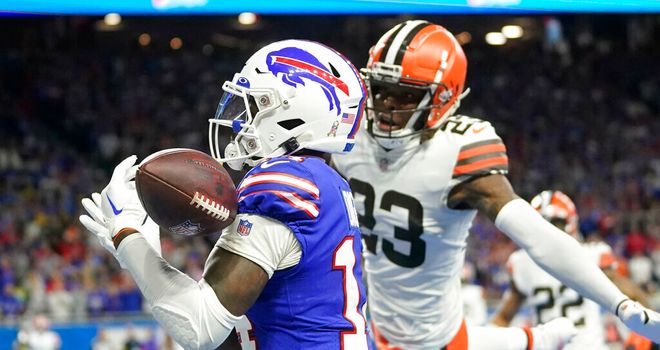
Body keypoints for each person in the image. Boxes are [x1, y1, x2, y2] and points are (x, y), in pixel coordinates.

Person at [331, 19, 660, 350]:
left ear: (444, 98)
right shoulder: (349, 130)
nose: (386, 104)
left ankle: (540, 339)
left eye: (404, 95)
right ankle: (539, 339)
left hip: (435, 336)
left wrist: (620, 304)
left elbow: (536, 235)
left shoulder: (456, 150)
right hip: (378, 324)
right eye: (380, 89)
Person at [80, 39, 370, 349]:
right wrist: (143, 257)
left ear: (298, 113)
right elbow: (243, 330)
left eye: (257, 104)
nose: (240, 119)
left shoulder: (284, 181)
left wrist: (129, 239)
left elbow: (200, 329)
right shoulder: (322, 182)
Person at [491, 190, 651, 349]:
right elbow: (503, 317)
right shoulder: (522, 263)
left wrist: (641, 334)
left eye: (555, 223)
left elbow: (633, 298)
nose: (549, 230)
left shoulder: (592, 254)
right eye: (542, 223)